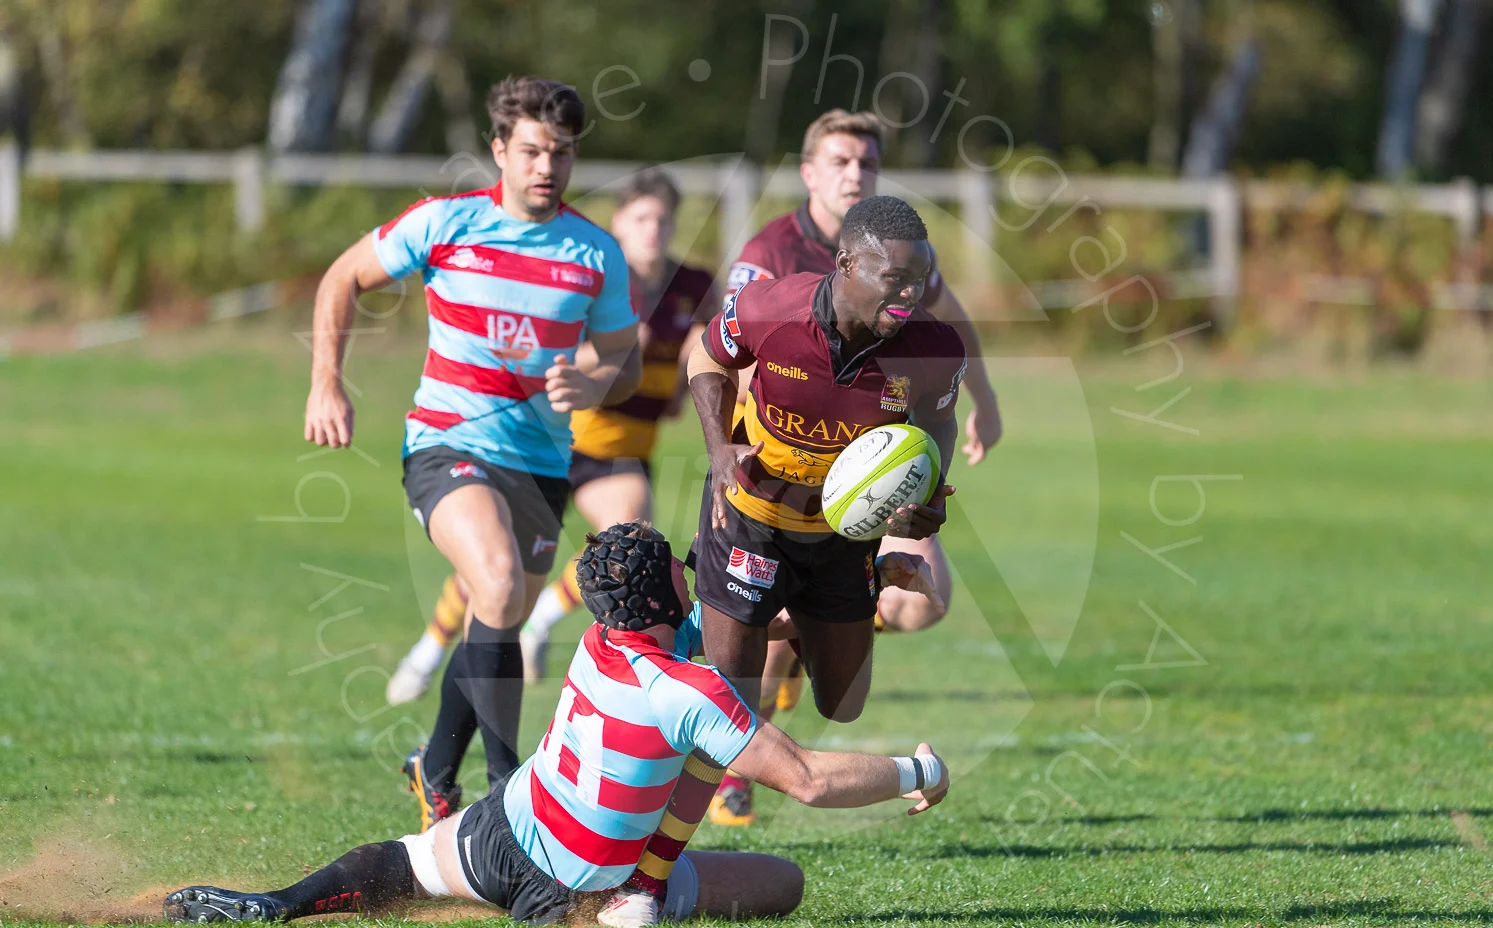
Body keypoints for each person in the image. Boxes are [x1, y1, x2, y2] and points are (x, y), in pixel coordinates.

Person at [162, 524, 949, 928]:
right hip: (580, 887)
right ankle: (632, 900)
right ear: (665, 596)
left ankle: (280, 903)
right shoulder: (688, 690)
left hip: (503, 831)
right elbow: (808, 781)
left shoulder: (604, 641)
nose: (687, 567)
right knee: (785, 880)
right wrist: (919, 773)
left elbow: (753, 627)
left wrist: (847, 596)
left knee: (400, 864)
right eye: (677, 563)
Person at [303, 76, 641, 832]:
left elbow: (625, 359)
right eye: (530, 151)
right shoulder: (446, 224)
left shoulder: (596, 253)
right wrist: (327, 384)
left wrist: (592, 382)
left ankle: (434, 768)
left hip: (543, 465)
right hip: (445, 444)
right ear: (499, 151)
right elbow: (341, 277)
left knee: (500, 609)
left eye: (560, 152)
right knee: (492, 582)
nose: (545, 167)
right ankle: (506, 792)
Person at [707, 109, 1002, 826]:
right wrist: (728, 451)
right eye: (840, 161)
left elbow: (943, 324)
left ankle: (793, 630)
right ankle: (737, 697)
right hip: (770, 476)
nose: (854, 173)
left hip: (856, 488)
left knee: (914, 603)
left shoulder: (903, 263)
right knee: (732, 684)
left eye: (865, 163)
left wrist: (977, 407)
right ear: (810, 172)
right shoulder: (771, 256)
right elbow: (726, 354)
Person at [386, 169, 717, 702]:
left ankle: (540, 625)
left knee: (628, 534)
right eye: (641, 218)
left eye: (663, 219)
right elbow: (555, 358)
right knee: (498, 565)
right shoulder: (600, 278)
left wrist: (692, 375)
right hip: (565, 441)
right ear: (620, 224)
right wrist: (614, 353)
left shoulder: (694, 286)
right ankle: (427, 651)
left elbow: (703, 354)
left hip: (628, 447)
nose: (653, 230)